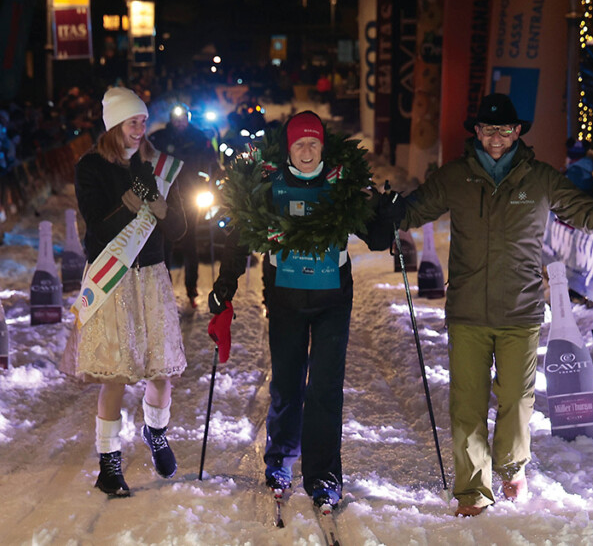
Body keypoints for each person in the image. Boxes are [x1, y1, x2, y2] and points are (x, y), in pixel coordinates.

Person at [393, 93, 593, 517]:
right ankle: (471, 492)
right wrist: (370, 209)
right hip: (467, 312)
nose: (496, 138)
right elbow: (409, 212)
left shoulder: (540, 179)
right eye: (488, 129)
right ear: (478, 132)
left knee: (517, 400)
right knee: (466, 404)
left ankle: (510, 466)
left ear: (518, 131)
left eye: (505, 130)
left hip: (520, 312)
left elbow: (587, 214)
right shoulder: (455, 178)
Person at [207, 110, 396, 510]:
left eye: (313, 143)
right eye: (299, 144)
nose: (307, 150)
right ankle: (280, 461)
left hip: (332, 299)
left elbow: (377, 239)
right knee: (288, 386)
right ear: (288, 148)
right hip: (285, 297)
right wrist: (225, 285)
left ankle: (324, 476)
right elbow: (240, 238)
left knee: (325, 390)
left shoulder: (342, 185)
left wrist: (385, 209)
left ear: (322, 147)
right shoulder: (269, 186)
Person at [59, 86, 190, 497]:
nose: (141, 128)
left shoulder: (158, 165)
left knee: (161, 372)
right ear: (115, 124)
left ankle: (156, 433)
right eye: (133, 121)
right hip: (111, 279)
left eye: (143, 121)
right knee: (114, 376)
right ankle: (109, 465)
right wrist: (134, 201)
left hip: (151, 276)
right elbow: (97, 227)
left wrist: (165, 210)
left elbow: (180, 229)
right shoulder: (92, 167)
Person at [149, 102, 217, 311]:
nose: (179, 124)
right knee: (166, 243)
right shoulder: (160, 137)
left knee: (190, 241)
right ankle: (165, 287)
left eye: (183, 119)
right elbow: (147, 157)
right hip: (167, 195)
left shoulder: (199, 138)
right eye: (176, 120)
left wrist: (211, 181)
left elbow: (212, 161)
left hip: (190, 193)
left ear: (188, 119)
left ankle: (191, 287)